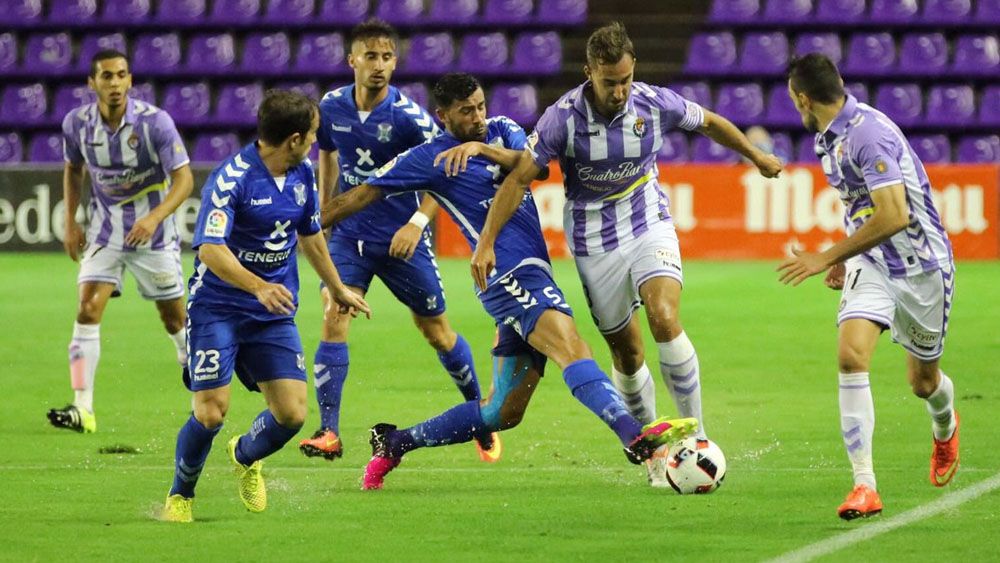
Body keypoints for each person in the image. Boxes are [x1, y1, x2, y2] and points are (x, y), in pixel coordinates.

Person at [320, 73, 697, 491]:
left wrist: (481, 148)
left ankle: (395, 443)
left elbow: (532, 168)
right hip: (505, 276)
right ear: (443, 116)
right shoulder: (430, 157)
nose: (478, 116)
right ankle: (633, 436)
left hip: (531, 271)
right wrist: (306, 225)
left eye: (480, 106)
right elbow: (361, 194)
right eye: (466, 111)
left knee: (502, 412)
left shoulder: (502, 130)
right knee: (571, 346)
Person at [471, 23, 782, 486]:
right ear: (589, 72)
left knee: (663, 316)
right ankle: (654, 453)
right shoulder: (562, 118)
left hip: (647, 221)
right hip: (593, 240)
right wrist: (486, 242)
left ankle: (696, 438)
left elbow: (709, 122)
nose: (619, 92)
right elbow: (519, 178)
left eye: (625, 80)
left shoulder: (654, 103)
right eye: (609, 82)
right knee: (627, 352)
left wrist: (755, 155)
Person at [162, 90, 370, 523]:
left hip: (271, 313)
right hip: (218, 308)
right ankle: (181, 495)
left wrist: (337, 288)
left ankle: (244, 454)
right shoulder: (232, 178)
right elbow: (210, 250)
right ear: (294, 139)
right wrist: (258, 286)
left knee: (292, 414)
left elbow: (310, 235)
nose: (315, 143)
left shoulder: (303, 174)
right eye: (312, 136)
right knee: (210, 413)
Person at [298, 19, 497, 463]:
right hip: (350, 236)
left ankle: (480, 415)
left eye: (387, 57)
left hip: (401, 240)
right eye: (371, 56)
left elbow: (444, 172)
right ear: (352, 60)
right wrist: (327, 210)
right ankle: (329, 431)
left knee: (437, 332)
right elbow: (327, 153)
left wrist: (417, 223)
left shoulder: (409, 118)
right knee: (334, 312)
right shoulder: (330, 107)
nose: (379, 65)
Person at [779, 54, 960, 520]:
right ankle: (865, 485)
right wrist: (846, 256)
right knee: (850, 356)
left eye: (794, 99)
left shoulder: (867, 135)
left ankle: (945, 426)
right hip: (874, 263)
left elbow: (895, 214)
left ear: (803, 98)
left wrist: (827, 256)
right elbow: (859, 203)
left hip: (922, 268)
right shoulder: (828, 138)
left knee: (923, 383)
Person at [48, 49, 194, 433]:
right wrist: (71, 220)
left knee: (174, 319)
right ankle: (82, 408)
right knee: (87, 309)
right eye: (107, 76)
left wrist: (154, 217)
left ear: (130, 80)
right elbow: (73, 168)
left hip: (154, 237)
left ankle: (195, 374)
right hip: (105, 232)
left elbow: (184, 180)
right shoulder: (76, 124)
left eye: (121, 75)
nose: (115, 83)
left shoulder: (155, 123)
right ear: (92, 82)